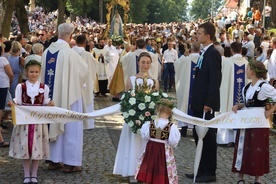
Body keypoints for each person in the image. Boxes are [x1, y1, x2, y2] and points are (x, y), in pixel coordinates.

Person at [40, 23, 88, 172]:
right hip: (69, 97)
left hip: (50, 99)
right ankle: (70, 163)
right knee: (71, 127)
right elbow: (83, 73)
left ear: (57, 33)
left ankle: (53, 161)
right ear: (71, 36)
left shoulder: (46, 52)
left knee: (52, 123)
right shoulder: (70, 54)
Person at [113, 52, 159, 182]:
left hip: (147, 119)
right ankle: (132, 170)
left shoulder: (154, 81)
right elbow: (127, 100)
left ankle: (145, 172)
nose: (145, 65)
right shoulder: (131, 79)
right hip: (134, 119)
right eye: (143, 62)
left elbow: (156, 100)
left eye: (148, 62)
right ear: (138, 63)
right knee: (133, 143)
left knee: (145, 145)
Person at [185, 22, 222, 183]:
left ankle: (209, 172)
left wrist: (209, 102)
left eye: (199, 33)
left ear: (207, 36)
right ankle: (199, 170)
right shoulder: (204, 52)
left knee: (208, 138)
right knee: (197, 135)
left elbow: (215, 80)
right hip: (199, 102)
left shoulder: (213, 53)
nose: (197, 36)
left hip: (206, 104)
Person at [9, 60, 54, 184]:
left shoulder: (44, 87)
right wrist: (13, 104)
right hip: (25, 122)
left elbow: (45, 103)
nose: (33, 74)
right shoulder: (21, 87)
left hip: (38, 123)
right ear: (26, 73)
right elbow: (18, 101)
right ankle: (26, 174)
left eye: (36, 72)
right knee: (25, 148)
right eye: (31, 72)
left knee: (36, 147)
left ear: (39, 73)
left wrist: (50, 104)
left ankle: (34, 174)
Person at [232, 61, 276, 184]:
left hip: (259, 123)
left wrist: (270, 111)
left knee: (257, 149)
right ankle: (240, 178)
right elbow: (247, 104)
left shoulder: (264, 87)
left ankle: (257, 178)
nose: (245, 71)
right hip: (245, 122)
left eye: (247, 69)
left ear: (253, 72)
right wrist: (239, 106)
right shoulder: (246, 87)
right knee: (243, 147)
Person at [135, 98, 180, 184]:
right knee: (162, 168)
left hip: (150, 150)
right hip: (163, 151)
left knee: (150, 166)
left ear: (158, 110)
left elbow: (145, 137)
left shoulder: (149, 124)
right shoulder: (172, 127)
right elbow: (173, 142)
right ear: (170, 113)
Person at [217, 42, 248, 146]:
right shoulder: (247, 63)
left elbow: (222, 80)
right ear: (241, 50)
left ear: (231, 50)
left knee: (227, 110)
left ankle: (225, 140)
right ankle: (238, 140)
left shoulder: (227, 62)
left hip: (229, 98)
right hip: (242, 99)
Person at [72, 34, 99, 129]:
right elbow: (94, 67)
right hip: (85, 84)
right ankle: (88, 124)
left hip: (72, 82)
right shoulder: (87, 55)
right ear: (85, 43)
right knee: (87, 101)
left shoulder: (70, 52)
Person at [174, 41, 200, 137]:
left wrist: (183, 55)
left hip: (186, 89)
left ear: (190, 49)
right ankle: (195, 130)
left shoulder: (185, 60)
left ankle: (184, 129)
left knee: (185, 105)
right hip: (197, 90)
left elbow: (176, 65)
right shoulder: (202, 60)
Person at [0, 44, 13, 147]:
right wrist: (11, 80)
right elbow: (10, 73)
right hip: (2, 84)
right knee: (0, 107)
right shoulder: (3, 60)